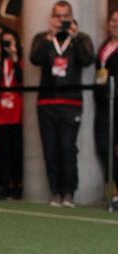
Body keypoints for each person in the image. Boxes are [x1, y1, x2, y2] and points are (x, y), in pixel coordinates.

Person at [30, 1, 94, 207]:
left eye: (65, 16)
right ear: (52, 17)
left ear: (72, 16)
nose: (62, 20)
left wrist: (74, 38)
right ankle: (55, 191)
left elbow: (87, 60)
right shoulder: (42, 38)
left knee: (67, 147)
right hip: (46, 102)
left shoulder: (81, 38)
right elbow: (35, 59)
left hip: (71, 102)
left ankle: (69, 192)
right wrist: (49, 37)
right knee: (50, 149)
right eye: (58, 16)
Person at [0, 27, 23, 199]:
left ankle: (17, 184)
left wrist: (14, 55)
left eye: (10, 41)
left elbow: (20, 77)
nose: (6, 45)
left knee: (17, 150)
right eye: (4, 41)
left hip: (17, 111)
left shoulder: (17, 61)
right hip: (1, 112)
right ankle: (4, 185)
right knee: (3, 150)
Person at [94, 10, 118, 209]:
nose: (115, 24)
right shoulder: (105, 46)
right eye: (113, 20)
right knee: (104, 148)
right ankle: (112, 192)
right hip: (104, 104)